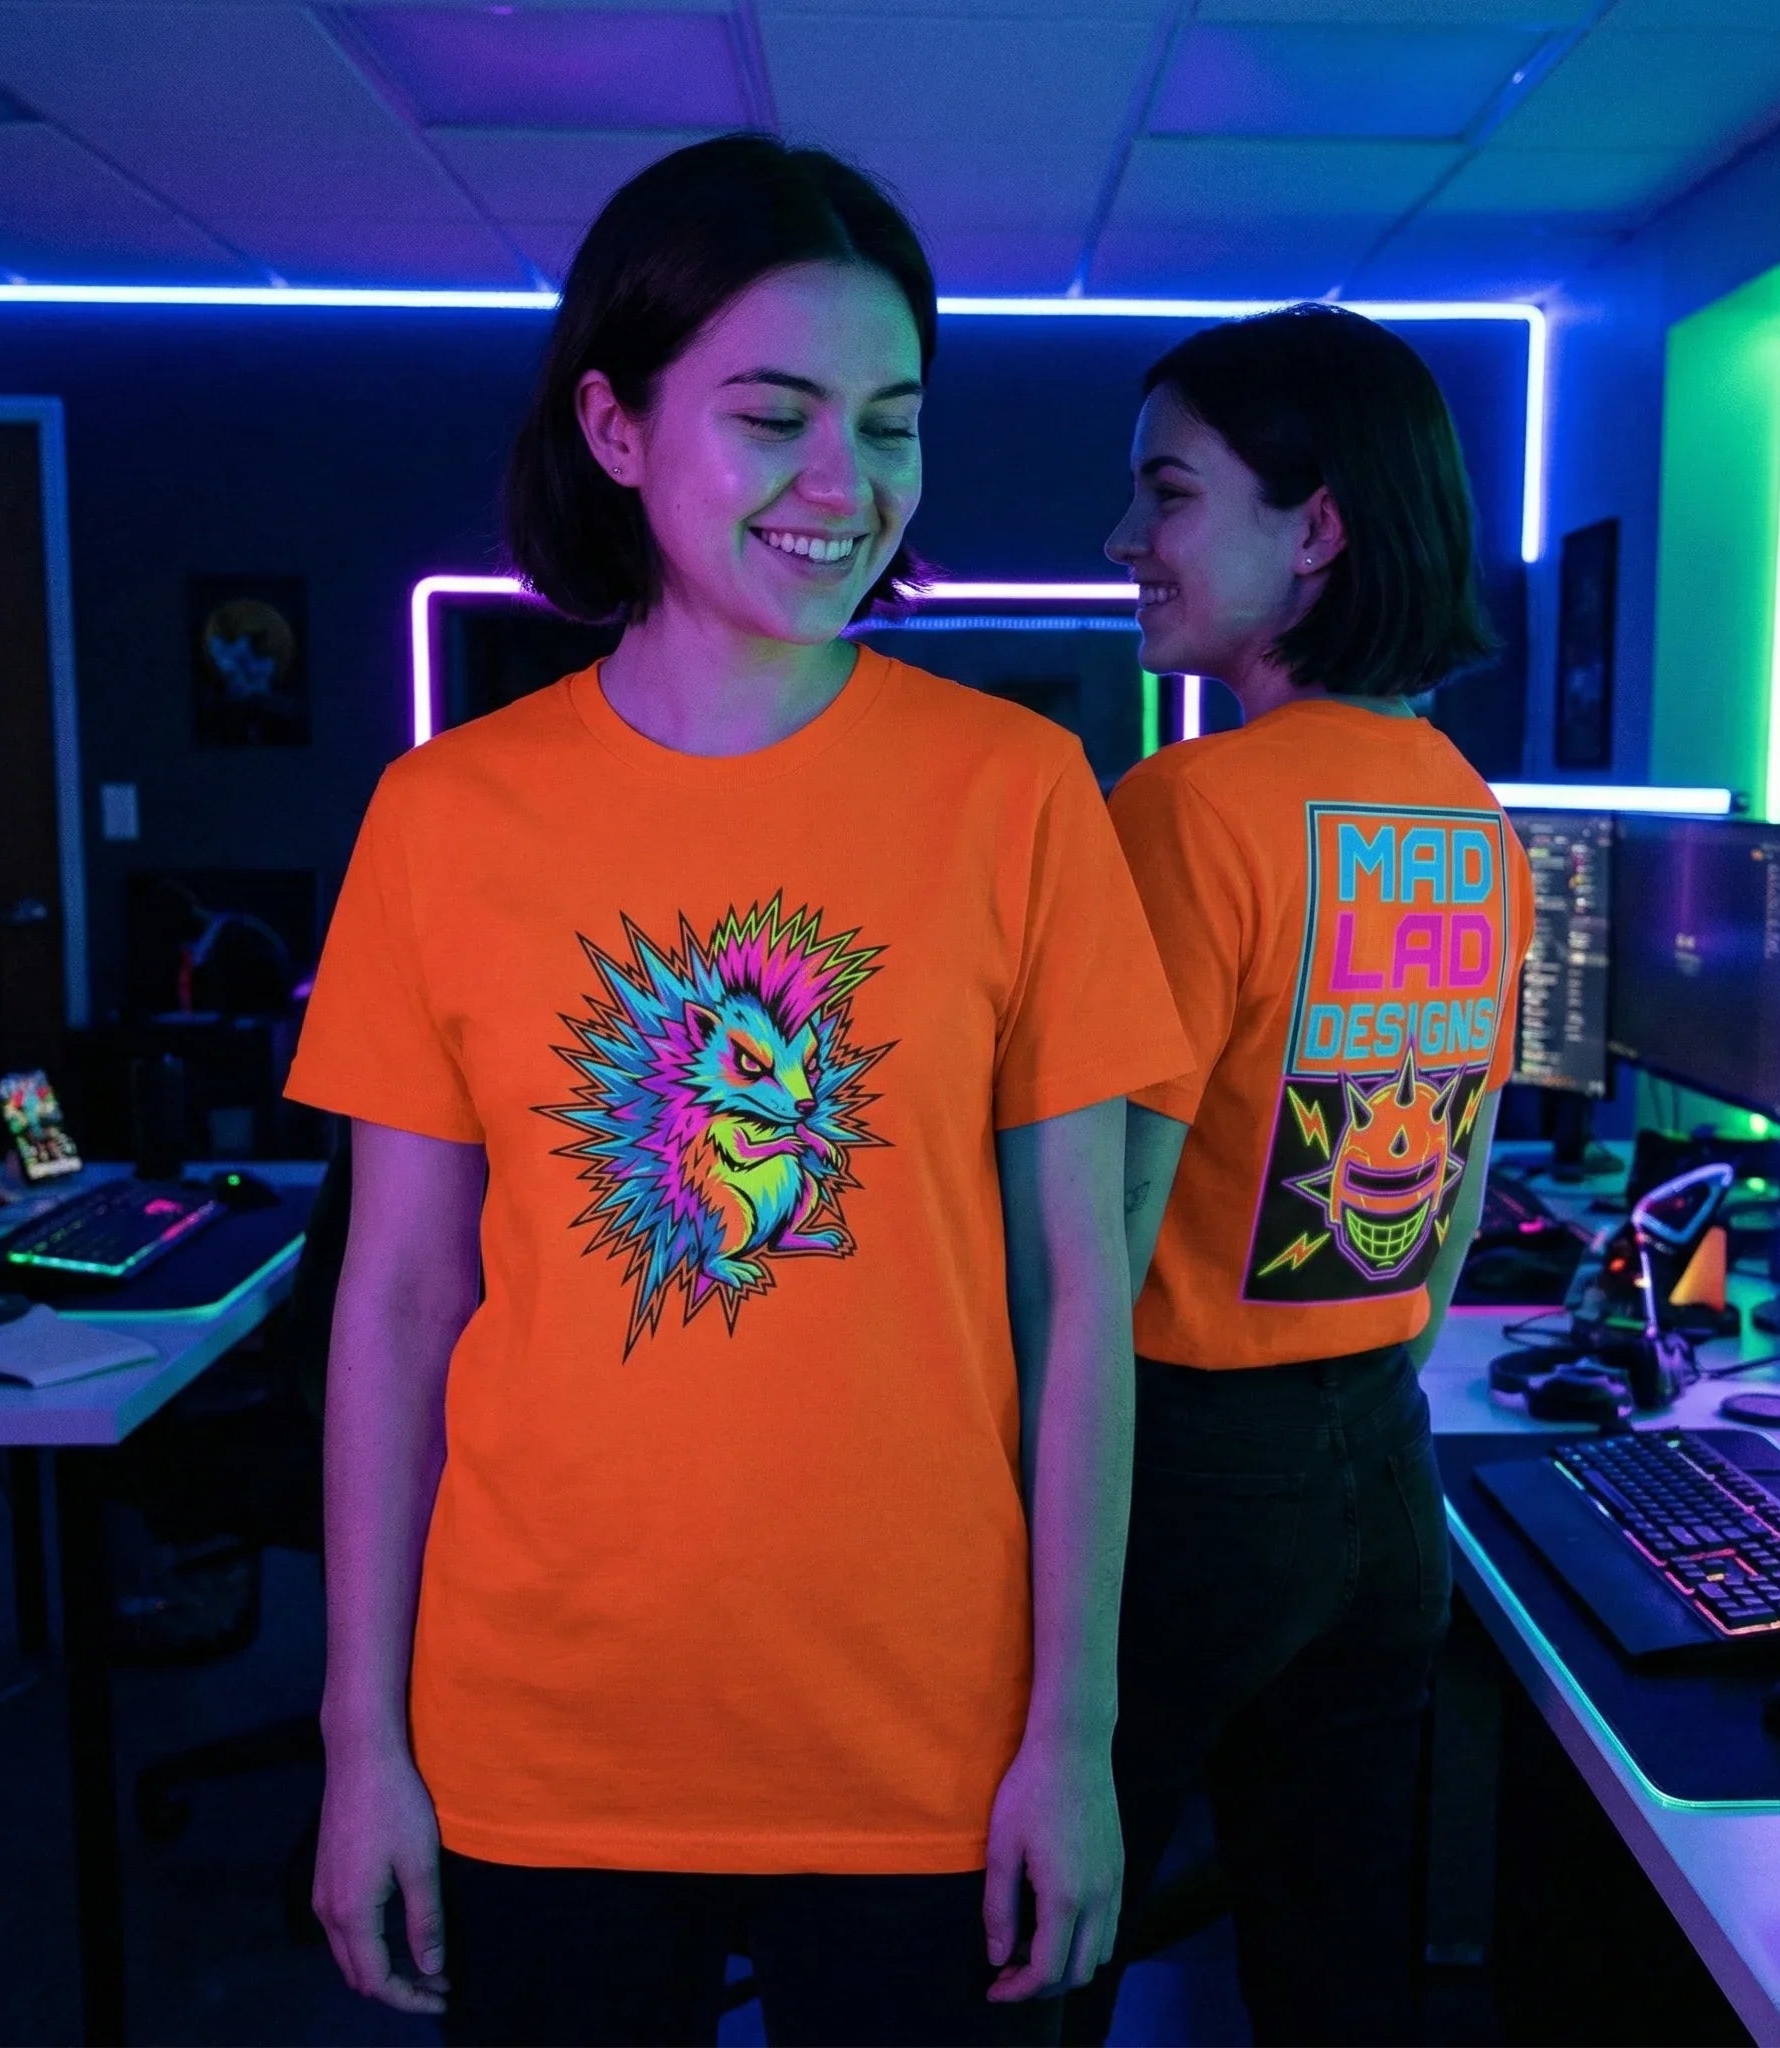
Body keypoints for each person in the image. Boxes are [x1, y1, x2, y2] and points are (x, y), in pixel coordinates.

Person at [290, 135, 1192, 2048]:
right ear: (614, 427)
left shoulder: (1017, 793)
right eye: (773, 417)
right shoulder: (444, 820)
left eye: (891, 423)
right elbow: (393, 1309)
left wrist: (1077, 1730)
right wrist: (359, 1738)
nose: (844, 487)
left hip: (930, 1741)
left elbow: (1078, 1303)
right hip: (540, 1736)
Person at [1065, 306, 1536, 2047]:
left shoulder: (1188, 810)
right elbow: (1461, 1200)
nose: (1126, 543)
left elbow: (1107, 1231)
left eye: (1167, 496)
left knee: (1038, 1954)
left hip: (1182, 1479)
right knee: (1341, 1985)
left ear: (1316, 526)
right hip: (1373, 1488)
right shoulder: (1470, 814)